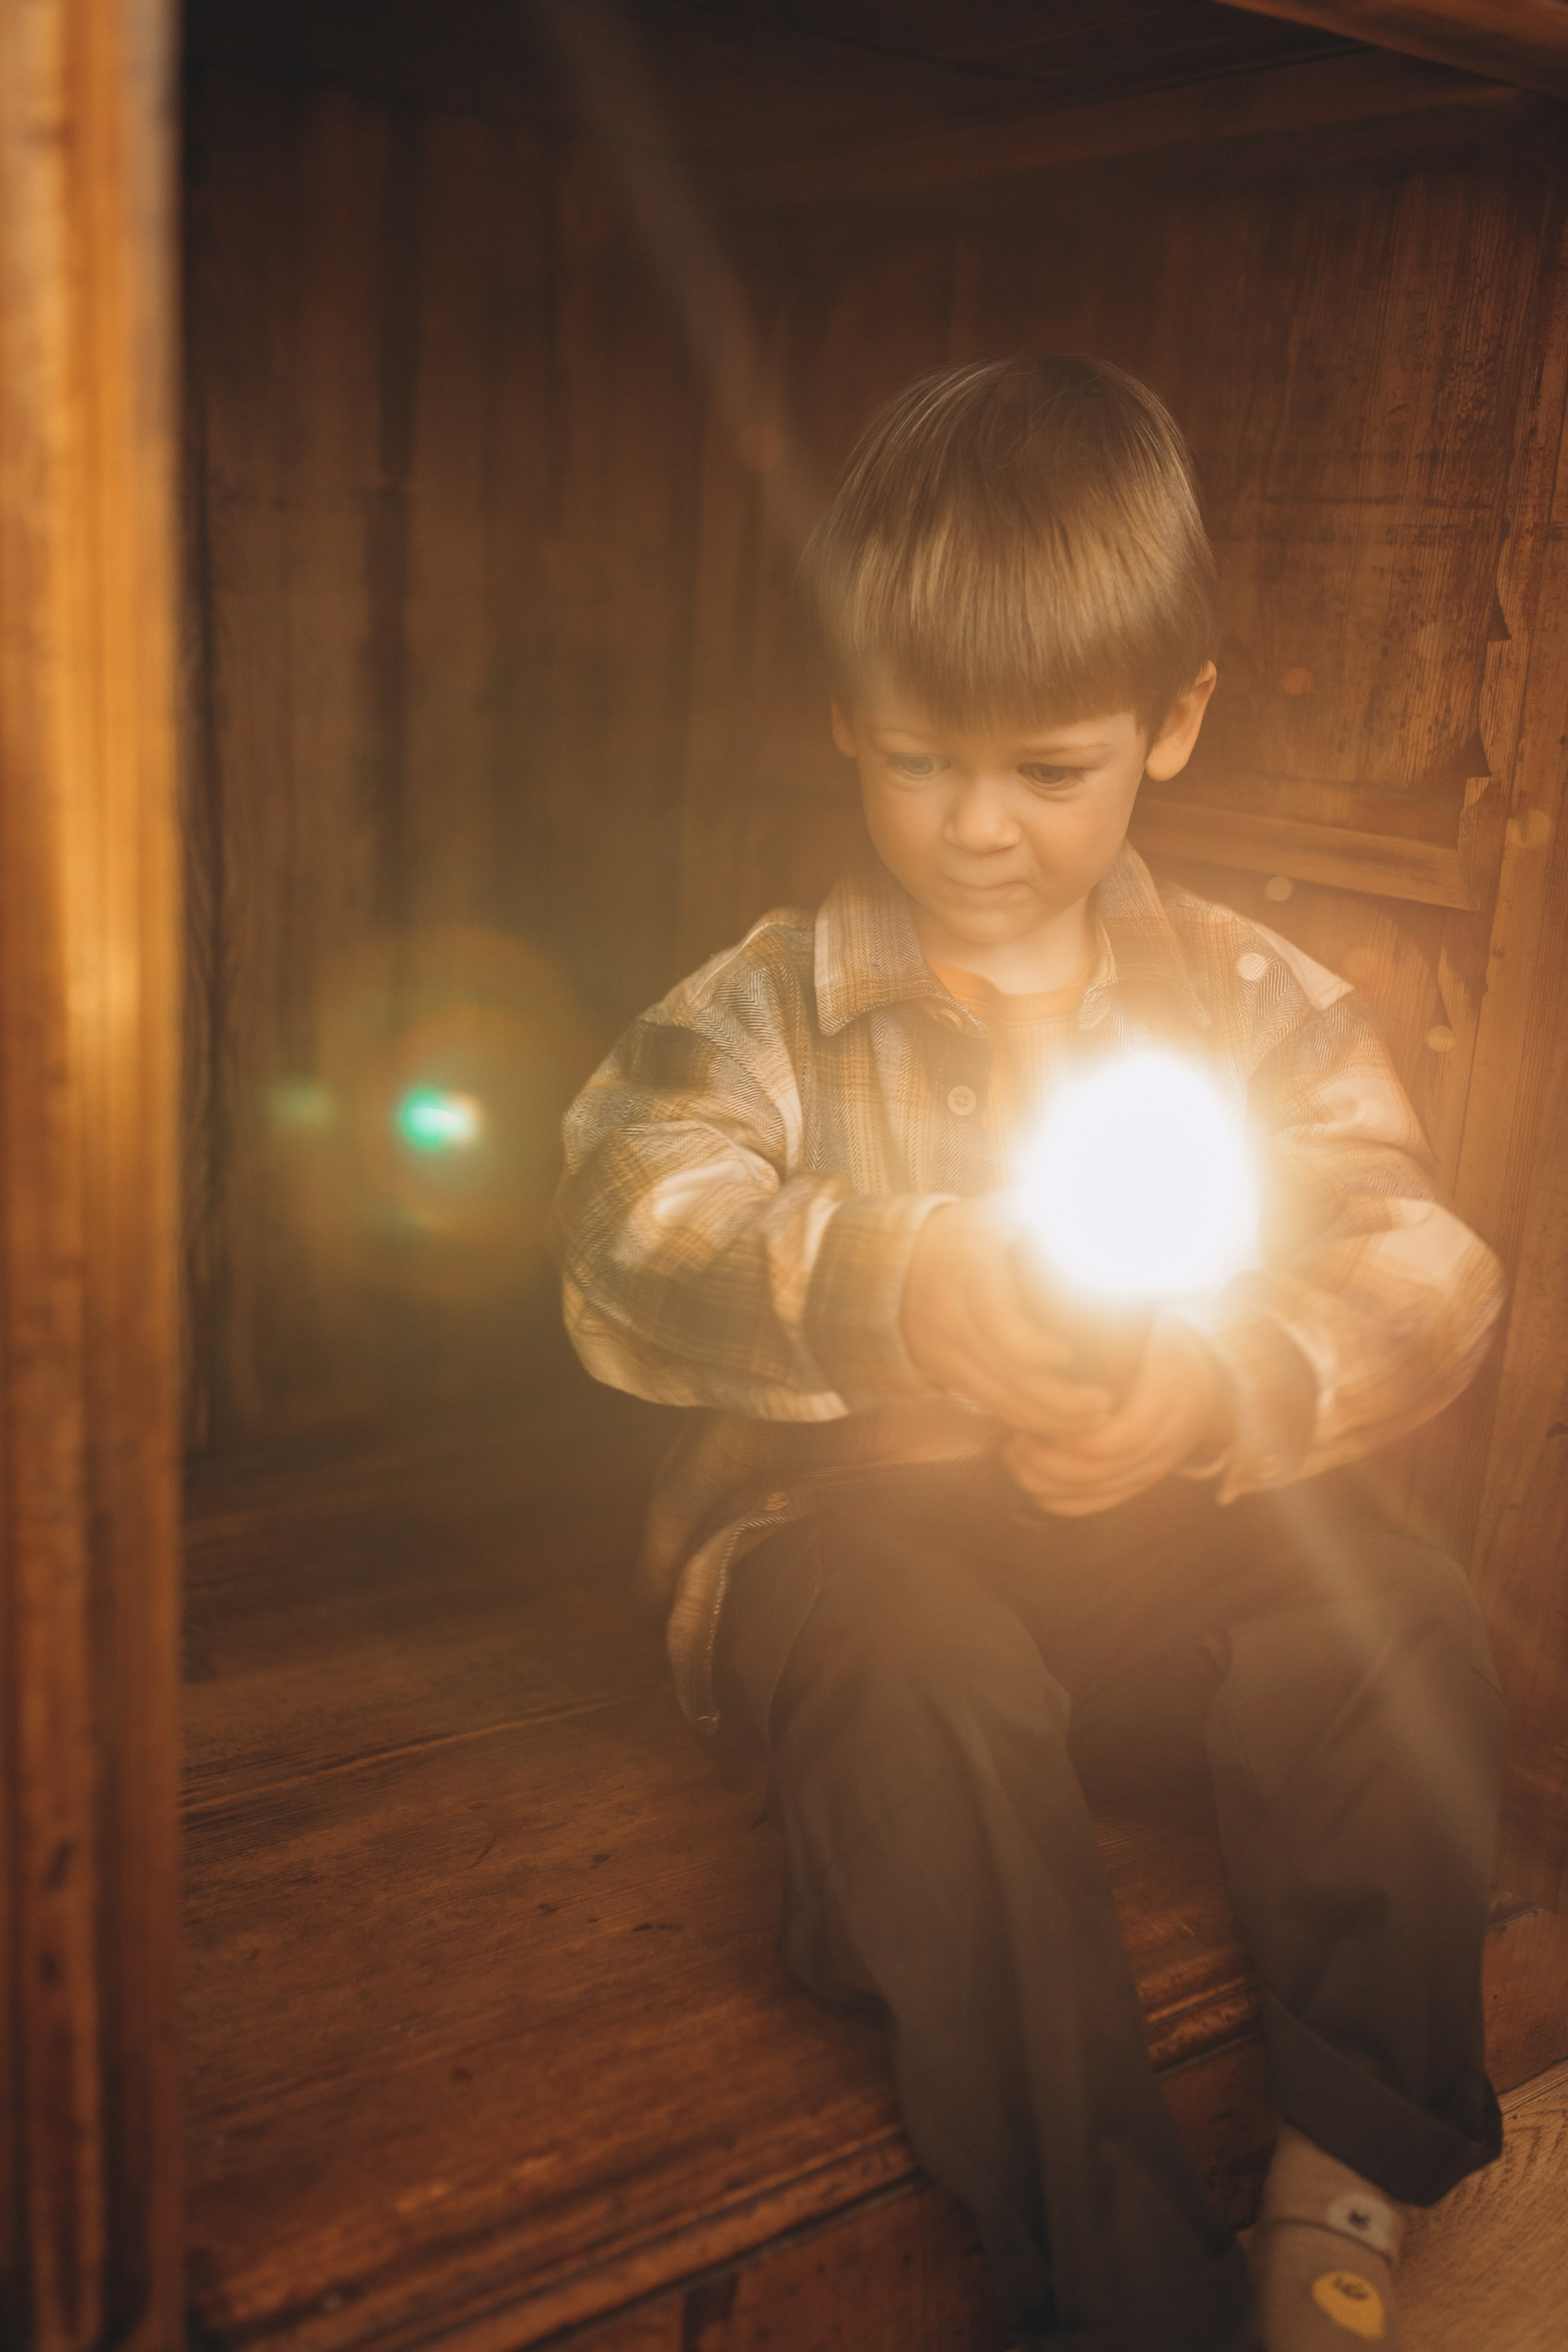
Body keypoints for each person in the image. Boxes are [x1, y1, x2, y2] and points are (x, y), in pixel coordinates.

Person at [554, 356, 1506, 2352]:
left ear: (1175, 722)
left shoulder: (1249, 998)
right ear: (848, 714)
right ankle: (1126, 2295)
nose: (976, 826)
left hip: (1139, 1542)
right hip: (851, 1552)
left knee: (1400, 1617)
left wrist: (1226, 1379)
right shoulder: (761, 1013)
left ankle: (1343, 2179)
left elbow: (1420, 1255)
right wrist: (894, 1284)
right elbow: (624, 1229)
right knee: (927, 1695)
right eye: (919, 760)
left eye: (1048, 771)